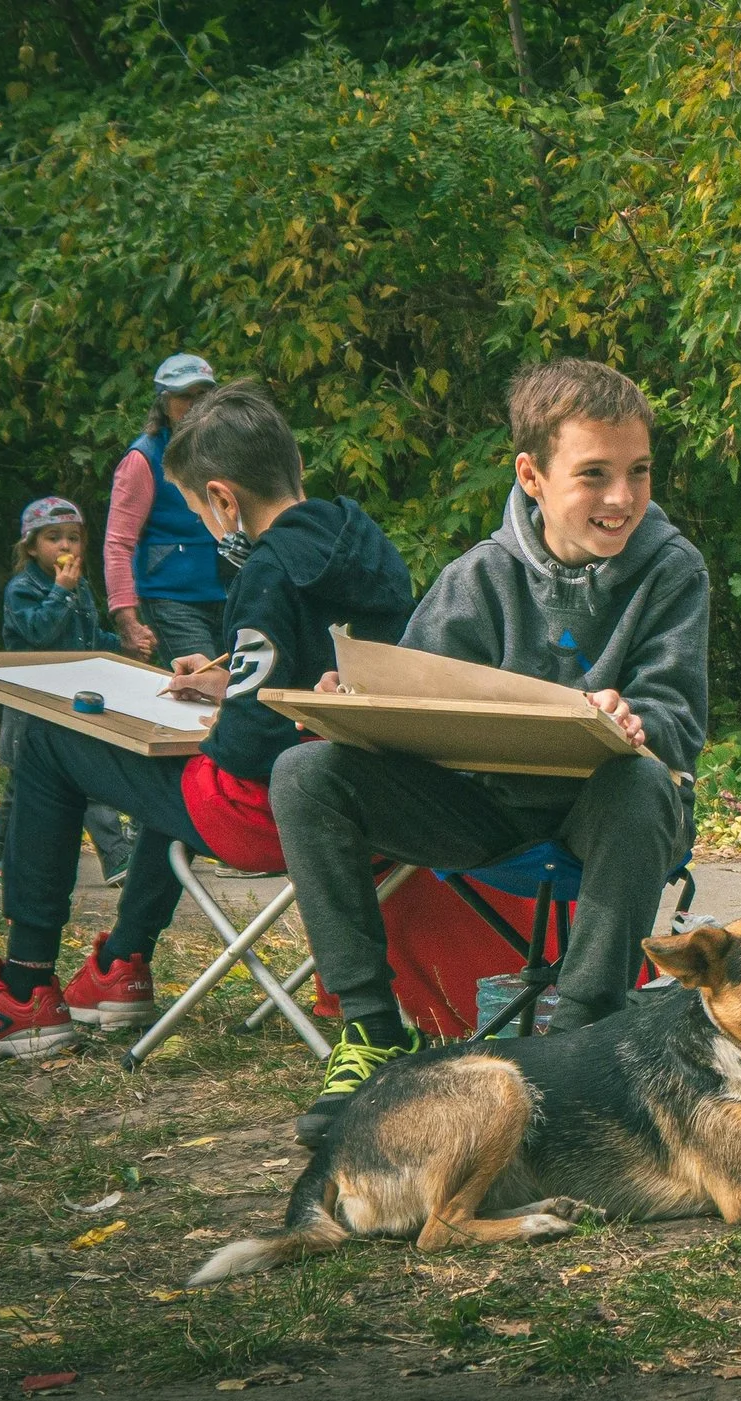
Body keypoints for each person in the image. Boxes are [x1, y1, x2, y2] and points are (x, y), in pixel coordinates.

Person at [272, 358, 707, 1147]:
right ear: (532, 475)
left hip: (613, 816)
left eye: (638, 472)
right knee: (305, 773)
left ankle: (579, 1041)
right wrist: (358, 703)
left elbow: (680, 721)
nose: (622, 498)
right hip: (486, 813)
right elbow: (413, 703)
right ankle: (371, 1032)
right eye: (595, 475)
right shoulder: (478, 576)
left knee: (640, 780)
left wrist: (634, 715)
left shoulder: (672, 569)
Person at [0, 383, 415, 1062]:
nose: (207, 523)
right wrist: (237, 683)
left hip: (277, 812)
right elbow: (335, 664)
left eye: (198, 509)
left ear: (223, 499)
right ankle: (120, 966)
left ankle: (24, 990)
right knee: (172, 765)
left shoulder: (266, 571)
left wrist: (223, 711)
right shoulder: (362, 544)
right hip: (383, 804)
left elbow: (249, 749)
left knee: (50, 738)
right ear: (296, 466)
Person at [0, 497, 135, 890]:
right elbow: (39, 633)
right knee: (22, 782)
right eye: (54, 538)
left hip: (74, 698)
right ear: (32, 546)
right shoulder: (22, 589)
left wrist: (122, 645)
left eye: (74, 538)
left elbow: (84, 639)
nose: (66, 547)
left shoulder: (79, 586)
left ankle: (117, 856)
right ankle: (1, 858)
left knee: (87, 772)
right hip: (31, 700)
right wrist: (60, 592)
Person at [104, 353, 225, 668]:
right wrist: (126, 618)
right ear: (163, 402)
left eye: (203, 395)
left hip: (230, 594)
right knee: (203, 689)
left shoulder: (228, 450)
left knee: (240, 693)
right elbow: (118, 543)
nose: (195, 405)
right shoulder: (142, 459)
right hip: (172, 599)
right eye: (185, 396)